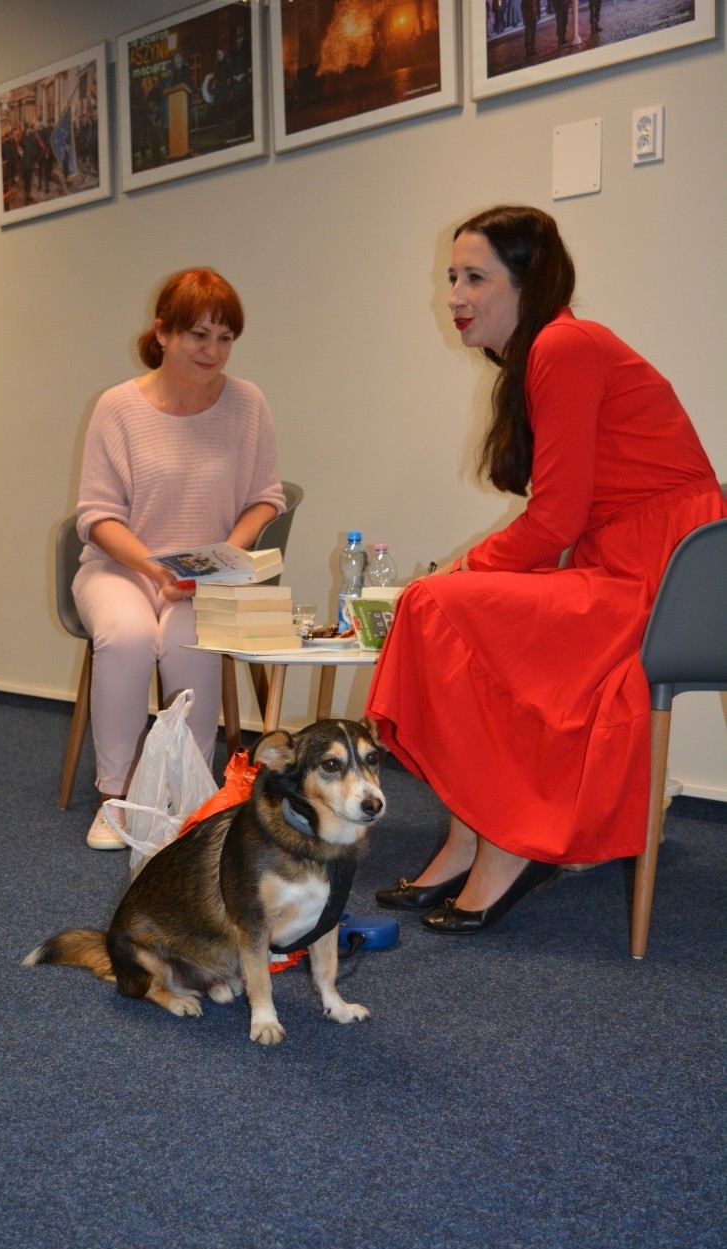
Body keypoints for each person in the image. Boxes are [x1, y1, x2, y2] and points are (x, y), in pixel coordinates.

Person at [368, 205, 726, 935]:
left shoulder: (565, 346)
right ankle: (472, 833)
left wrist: (464, 566)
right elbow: (567, 520)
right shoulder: (549, 353)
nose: (456, 297)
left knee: (439, 604)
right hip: (629, 561)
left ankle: (507, 844)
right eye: (451, 279)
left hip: (668, 577)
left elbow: (555, 521)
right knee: (446, 606)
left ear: (526, 284)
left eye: (475, 278)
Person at [72, 268, 284, 849]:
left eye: (224, 338)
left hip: (205, 575)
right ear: (162, 333)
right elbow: (97, 514)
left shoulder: (247, 404)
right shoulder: (117, 406)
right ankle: (115, 798)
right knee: (127, 635)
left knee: (188, 638)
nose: (212, 351)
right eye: (198, 335)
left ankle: (186, 798)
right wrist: (155, 569)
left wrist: (216, 560)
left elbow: (265, 497)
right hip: (121, 567)